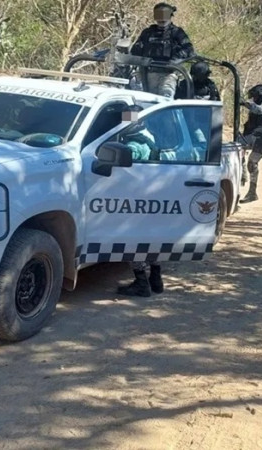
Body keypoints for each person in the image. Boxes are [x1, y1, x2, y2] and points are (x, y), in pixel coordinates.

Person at [116, 105, 164, 297]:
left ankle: (141, 282)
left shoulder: (134, 145)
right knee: (151, 239)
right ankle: (156, 278)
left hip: (136, 198)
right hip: (151, 195)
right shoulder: (149, 137)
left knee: (131, 241)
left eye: (127, 119)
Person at [130, 2, 195, 98]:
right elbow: (135, 51)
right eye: (159, 21)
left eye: (163, 21)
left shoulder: (177, 33)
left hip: (168, 74)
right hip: (146, 73)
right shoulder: (148, 32)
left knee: (165, 98)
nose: (161, 23)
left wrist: (174, 61)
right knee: (140, 100)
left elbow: (189, 50)